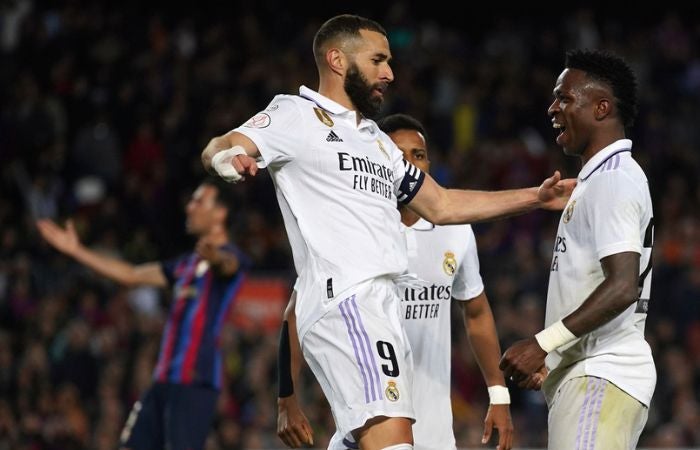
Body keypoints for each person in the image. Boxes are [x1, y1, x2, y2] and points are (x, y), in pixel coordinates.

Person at [201, 14, 573, 450]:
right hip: (347, 300)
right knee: (394, 441)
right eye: (378, 59)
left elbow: (443, 204)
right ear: (337, 60)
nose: (389, 73)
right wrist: (228, 161)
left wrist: (537, 198)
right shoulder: (295, 114)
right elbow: (222, 145)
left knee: (369, 439)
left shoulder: (376, 142)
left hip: (381, 304)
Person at [276, 113, 515, 450]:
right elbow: (295, 312)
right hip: (368, 425)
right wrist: (286, 398)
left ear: (429, 163)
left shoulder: (456, 231)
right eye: (398, 156)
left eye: (418, 155)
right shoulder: (352, 229)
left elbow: (475, 312)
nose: (410, 164)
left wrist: (499, 394)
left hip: (435, 433)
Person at [499, 49, 656, 450]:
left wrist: (541, 345)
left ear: (602, 108)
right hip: (587, 375)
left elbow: (623, 286)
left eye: (565, 97)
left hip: (601, 374)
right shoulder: (598, 180)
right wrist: (553, 359)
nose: (553, 107)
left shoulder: (614, 179)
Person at [35, 178, 249, 450]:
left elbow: (227, 267)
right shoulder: (185, 264)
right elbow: (131, 275)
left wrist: (215, 257)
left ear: (220, 213)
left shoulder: (232, 258)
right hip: (162, 380)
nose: (189, 207)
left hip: (195, 382)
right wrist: (77, 250)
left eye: (198, 201)